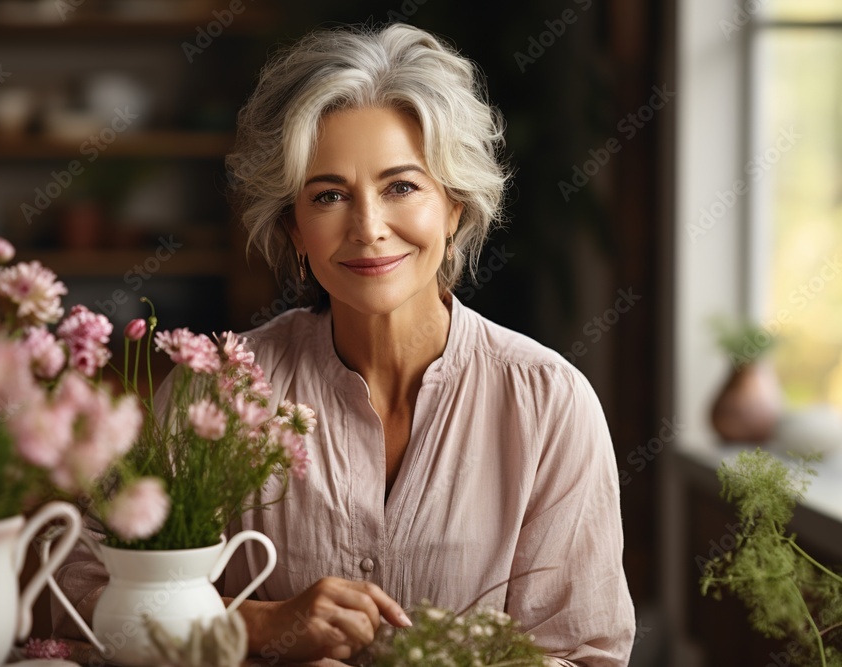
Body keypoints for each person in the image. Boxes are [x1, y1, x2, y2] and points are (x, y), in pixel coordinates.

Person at [53, 22, 635, 666]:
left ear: (454, 208)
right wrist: (257, 626)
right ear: (295, 230)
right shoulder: (215, 392)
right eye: (329, 195)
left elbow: (583, 655)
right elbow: (79, 585)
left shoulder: (550, 404)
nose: (368, 227)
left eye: (402, 186)